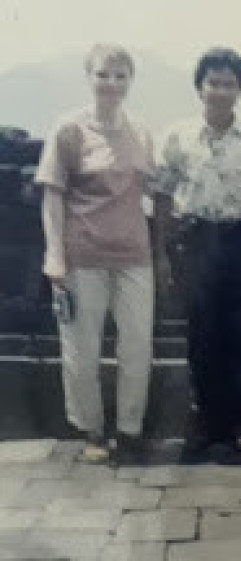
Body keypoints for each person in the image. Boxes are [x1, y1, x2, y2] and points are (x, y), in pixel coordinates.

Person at [154, 47, 241, 465]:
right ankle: (205, 422)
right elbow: (160, 196)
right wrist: (160, 252)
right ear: (200, 87)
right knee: (202, 336)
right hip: (196, 242)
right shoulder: (178, 136)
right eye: (213, 82)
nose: (220, 91)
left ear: (240, 89)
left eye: (229, 83)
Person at [37, 44, 155, 465]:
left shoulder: (140, 132)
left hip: (135, 255)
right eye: (103, 74)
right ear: (89, 77)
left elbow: (147, 194)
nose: (111, 83)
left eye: (120, 75)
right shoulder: (68, 130)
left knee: (138, 346)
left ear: (130, 81)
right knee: (82, 348)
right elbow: (52, 195)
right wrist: (54, 256)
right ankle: (92, 428)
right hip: (83, 254)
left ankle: (130, 428)